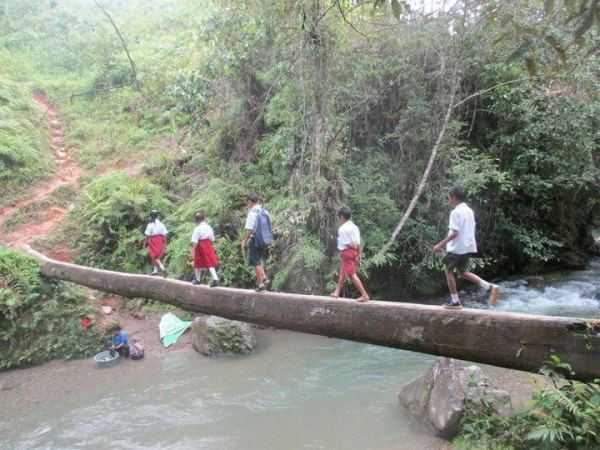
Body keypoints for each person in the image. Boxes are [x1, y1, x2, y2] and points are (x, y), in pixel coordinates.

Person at [433, 185, 500, 309]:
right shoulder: (469, 211)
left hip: (457, 248)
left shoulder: (455, 212)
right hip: (467, 247)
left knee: (448, 272)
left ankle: (455, 302)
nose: (449, 200)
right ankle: (489, 287)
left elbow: (455, 233)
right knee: (462, 272)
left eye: (449, 198)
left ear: (453, 198)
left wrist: (440, 245)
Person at [330, 207, 370, 302]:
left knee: (352, 275)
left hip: (347, 252)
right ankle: (337, 291)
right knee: (343, 273)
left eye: (339, 217)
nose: (339, 219)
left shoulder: (343, 229)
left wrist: (352, 249)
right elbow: (358, 243)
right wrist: (358, 254)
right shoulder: (354, 227)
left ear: (342, 217)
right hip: (354, 252)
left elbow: (348, 243)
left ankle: (364, 295)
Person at [241, 192, 272, 291]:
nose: (247, 205)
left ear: (250, 202)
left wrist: (245, 240)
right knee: (259, 260)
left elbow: (249, 229)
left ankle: (262, 281)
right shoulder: (264, 211)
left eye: (248, 203)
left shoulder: (252, 213)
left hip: (255, 240)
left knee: (255, 262)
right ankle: (262, 281)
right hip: (264, 239)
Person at [190, 211, 220, 287]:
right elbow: (212, 238)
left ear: (196, 220)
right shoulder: (209, 227)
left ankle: (198, 279)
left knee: (197, 263)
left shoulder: (197, 228)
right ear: (204, 218)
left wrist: (193, 249)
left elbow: (194, 241)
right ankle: (215, 278)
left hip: (200, 246)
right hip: (208, 245)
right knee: (210, 262)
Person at [144, 210, 168, 275]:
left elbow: (147, 235)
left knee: (154, 256)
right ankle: (155, 270)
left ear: (151, 216)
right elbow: (165, 234)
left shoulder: (150, 225)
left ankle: (162, 268)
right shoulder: (161, 224)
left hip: (153, 241)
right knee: (156, 256)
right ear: (157, 216)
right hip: (160, 240)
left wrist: (145, 242)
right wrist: (165, 244)